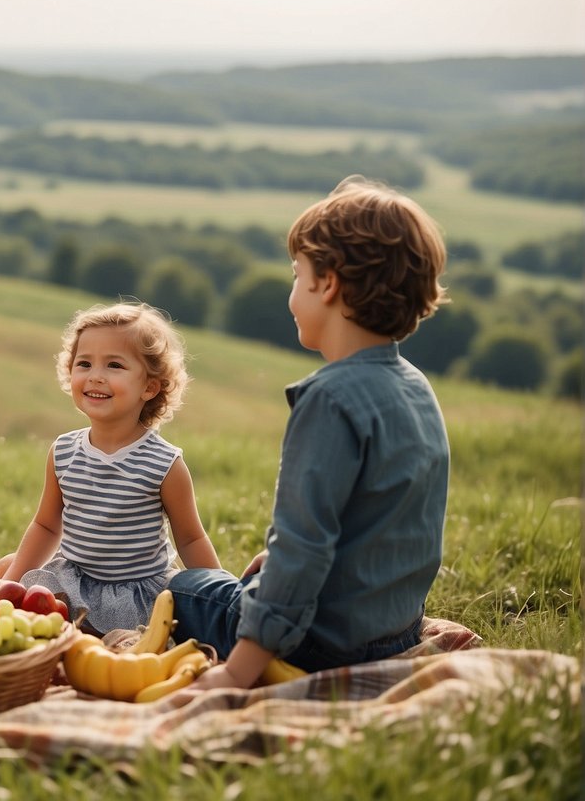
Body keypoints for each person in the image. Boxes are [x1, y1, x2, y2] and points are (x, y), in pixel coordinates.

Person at [168, 176, 451, 693]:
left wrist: (237, 672)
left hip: (321, 645)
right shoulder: (415, 386)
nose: (293, 290)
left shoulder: (328, 398)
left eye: (297, 274)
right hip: (395, 631)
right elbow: (384, 521)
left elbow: (302, 547)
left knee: (186, 587)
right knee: (251, 579)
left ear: (329, 283)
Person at [0, 302, 222, 635]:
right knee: (4, 570)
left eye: (114, 365)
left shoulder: (164, 463)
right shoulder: (64, 451)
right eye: (84, 363)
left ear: (149, 387)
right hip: (74, 580)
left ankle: (98, 643)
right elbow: (45, 525)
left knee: (133, 644)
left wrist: (223, 597)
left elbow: (190, 538)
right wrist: (8, 585)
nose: (95, 375)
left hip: (137, 595)